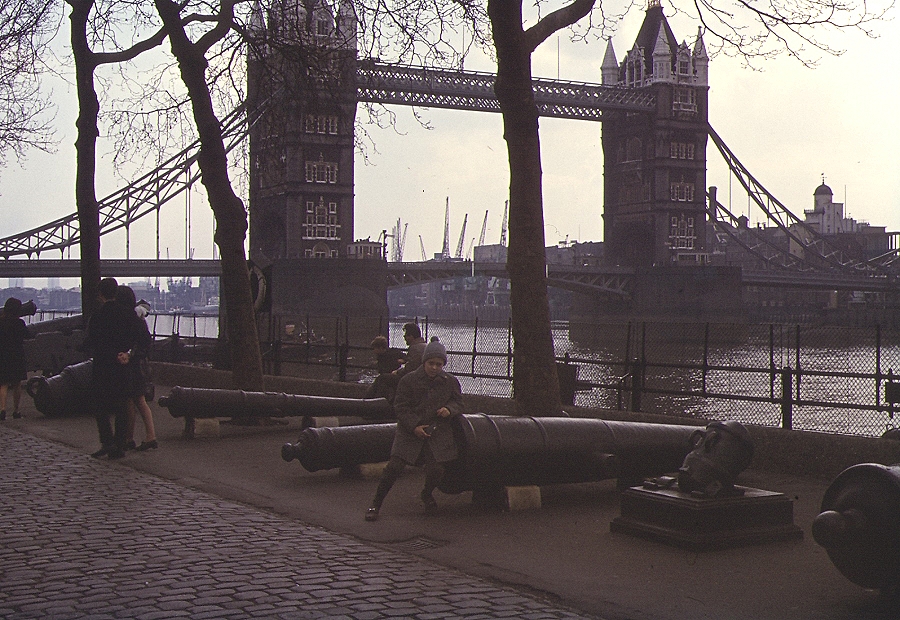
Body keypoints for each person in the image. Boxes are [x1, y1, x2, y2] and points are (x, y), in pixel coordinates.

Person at [365, 337, 464, 521]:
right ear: (424, 362)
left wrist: (449, 409)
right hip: (410, 431)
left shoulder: (450, 381)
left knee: (437, 470)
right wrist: (414, 426)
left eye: (439, 364)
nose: (434, 368)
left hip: (436, 431)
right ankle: (376, 504)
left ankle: (426, 494)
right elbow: (401, 406)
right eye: (431, 363)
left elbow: (458, 401)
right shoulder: (408, 380)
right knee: (393, 468)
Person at [84, 278, 152, 459]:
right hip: (123, 366)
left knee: (100, 407)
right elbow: (144, 340)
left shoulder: (97, 316)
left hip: (102, 366)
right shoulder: (129, 315)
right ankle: (119, 445)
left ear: (100, 294)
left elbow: (89, 342)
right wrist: (130, 354)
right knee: (122, 406)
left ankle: (106, 441)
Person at [116, 285, 158, 451]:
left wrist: (127, 354)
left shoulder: (126, 319)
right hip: (138, 363)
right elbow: (145, 342)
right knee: (139, 401)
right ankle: (148, 436)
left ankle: (131, 437)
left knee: (131, 401)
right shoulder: (138, 318)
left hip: (131, 364)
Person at [0, 298, 32, 420]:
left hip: (2, 355)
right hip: (17, 355)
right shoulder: (19, 323)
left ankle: (2, 409)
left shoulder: (1, 322)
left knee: (3, 384)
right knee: (17, 383)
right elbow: (27, 335)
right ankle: (16, 410)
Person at [364, 335, 405, 402]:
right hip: (388, 377)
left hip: (393, 376)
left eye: (374, 348)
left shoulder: (392, 353)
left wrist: (402, 360)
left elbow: (405, 358)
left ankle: (368, 399)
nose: (373, 351)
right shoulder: (382, 356)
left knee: (379, 381)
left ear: (380, 348)